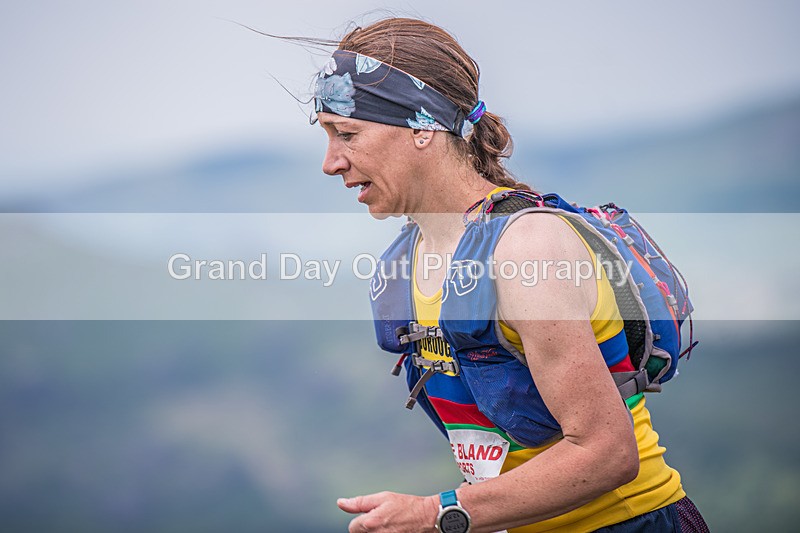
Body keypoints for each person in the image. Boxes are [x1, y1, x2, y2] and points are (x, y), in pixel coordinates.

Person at [311, 17, 708, 533]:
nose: (330, 162)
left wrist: (436, 514)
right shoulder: (408, 258)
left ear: (423, 127)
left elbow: (608, 453)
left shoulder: (526, 249)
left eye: (347, 134)